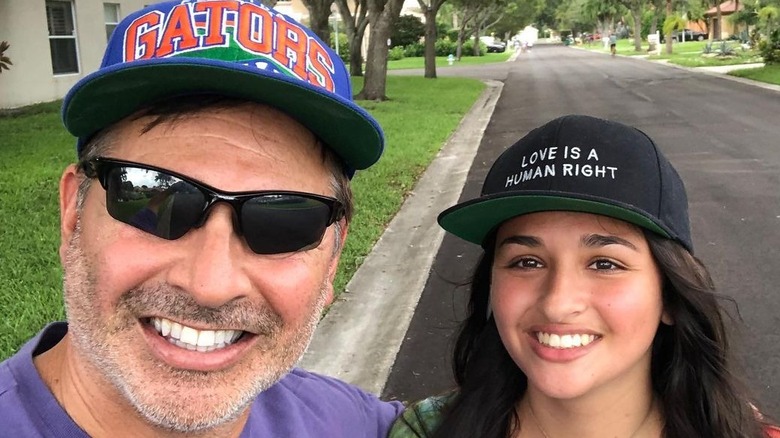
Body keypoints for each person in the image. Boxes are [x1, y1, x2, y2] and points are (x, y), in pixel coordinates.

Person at [0, 0, 404, 436]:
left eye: (283, 221)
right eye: (154, 198)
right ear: (73, 214)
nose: (210, 286)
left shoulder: (356, 425)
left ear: (332, 258)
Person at [389, 115, 779, 438]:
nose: (558, 303)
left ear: (670, 295)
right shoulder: (425, 430)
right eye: (526, 261)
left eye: (604, 264)